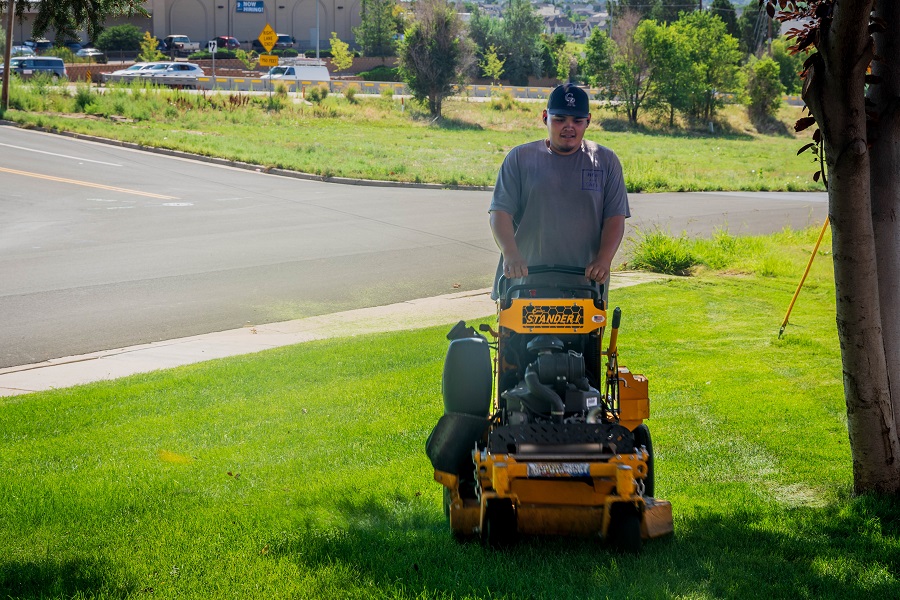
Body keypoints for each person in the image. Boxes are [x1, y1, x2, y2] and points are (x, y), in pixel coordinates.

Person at [489, 83, 630, 299]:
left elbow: (614, 218)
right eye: (560, 119)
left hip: (585, 285)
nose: (569, 126)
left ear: (588, 121)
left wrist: (603, 259)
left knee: (584, 335)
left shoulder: (605, 161)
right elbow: (500, 212)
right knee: (519, 335)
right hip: (524, 282)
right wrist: (510, 253)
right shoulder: (520, 158)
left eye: (577, 120)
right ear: (545, 117)